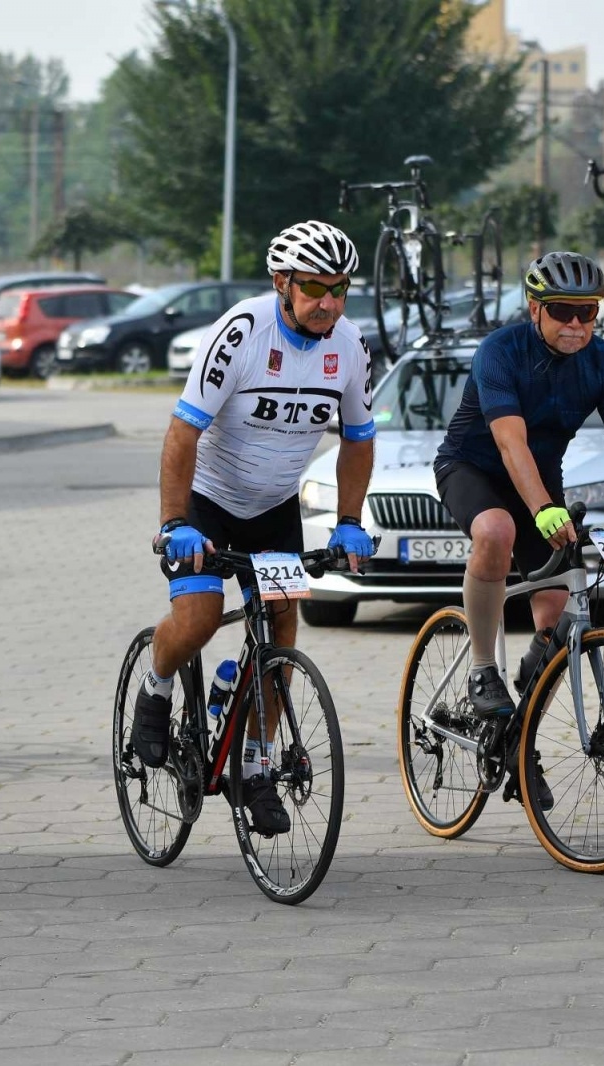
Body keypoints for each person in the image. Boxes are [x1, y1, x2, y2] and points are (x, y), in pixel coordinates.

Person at [131, 220, 378, 837]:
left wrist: (349, 522)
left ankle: (254, 763)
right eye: (315, 287)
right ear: (282, 283)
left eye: (339, 289)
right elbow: (182, 431)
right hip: (208, 502)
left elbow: (358, 439)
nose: (328, 302)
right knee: (199, 618)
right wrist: (173, 522)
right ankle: (157, 687)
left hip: (273, 509)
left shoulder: (349, 345)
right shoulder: (242, 332)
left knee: (283, 630)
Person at [433, 251, 604, 807]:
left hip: (539, 480)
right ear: (535, 309)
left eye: (588, 312)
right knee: (497, 532)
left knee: (556, 621)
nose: (577, 324)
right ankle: (482, 669)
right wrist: (544, 509)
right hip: (474, 469)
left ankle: (517, 740)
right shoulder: (500, 351)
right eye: (563, 311)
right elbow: (509, 443)